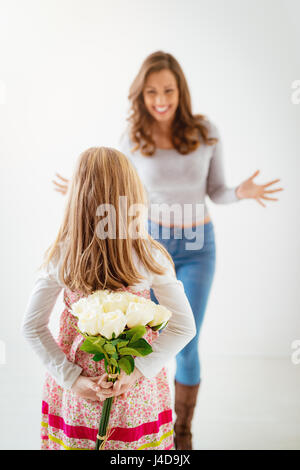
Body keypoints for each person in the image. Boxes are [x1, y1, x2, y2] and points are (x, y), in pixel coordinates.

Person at [53, 51, 283, 450]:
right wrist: (85, 192)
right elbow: (119, 186)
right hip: (149, 249)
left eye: (169, 91)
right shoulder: (132, 137)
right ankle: (140, 428)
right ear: (141, 96)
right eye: (152, 92)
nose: (161, 99)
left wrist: (240, 193)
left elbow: (216, 191)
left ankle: (183, 435)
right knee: (142, 339)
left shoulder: (205, 131)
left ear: (181, 92)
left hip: (197, 247)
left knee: (186, 340)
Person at [22, 147, 196, 450]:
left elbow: (32, 327)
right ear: (132, 194)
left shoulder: (61, 256)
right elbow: (184, 327)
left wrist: (73, 379)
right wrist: (138, 373)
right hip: (135, 394)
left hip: (77, 393)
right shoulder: (150, 256)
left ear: (76, 196)